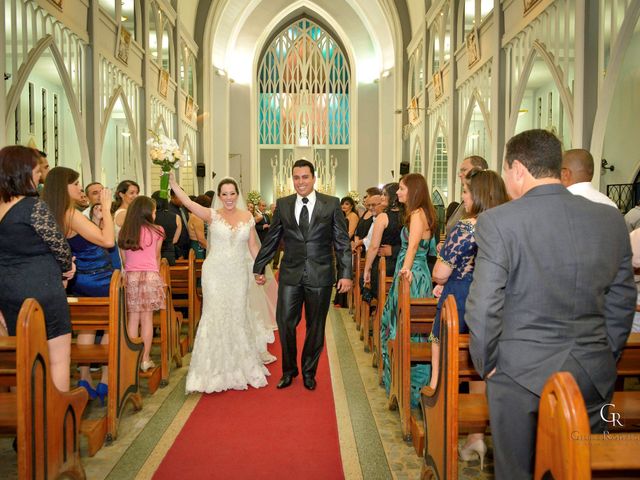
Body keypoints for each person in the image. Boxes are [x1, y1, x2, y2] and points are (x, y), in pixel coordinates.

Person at [466, 129, 636, 479]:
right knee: (578, 468)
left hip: (519, 375)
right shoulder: (609, 220)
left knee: (518, 471)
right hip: (590, 372)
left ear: (517, 169)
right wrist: (605, 353)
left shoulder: (499, 222)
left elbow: (483, 306)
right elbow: (622, 300)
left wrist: (488, 365)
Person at [428, 169, 509, 469]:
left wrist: (442, 260)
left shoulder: (466, 227)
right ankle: (476, 435)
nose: (463, 197)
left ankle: (440, 427)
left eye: (466, 192)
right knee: (481, 367)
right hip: (495, 300)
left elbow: (440, 272)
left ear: (478, 195)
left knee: (445, 366)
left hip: (460, 299)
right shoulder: (504, 225)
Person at [169, 174, 275, 393]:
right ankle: (211, 370)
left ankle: (239, 366)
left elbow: (254, 246)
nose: (228, 198)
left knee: (237, 315)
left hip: (238, 274)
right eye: (224, 194)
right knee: (214, 316)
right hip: (215, 273)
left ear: (238, 195)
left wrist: (260, 268)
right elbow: (188, 203)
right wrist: (172, 184)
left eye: (232, 193)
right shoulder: (212, 215)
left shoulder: (247, 216)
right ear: (219, 196)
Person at [253, 159, 352, 391]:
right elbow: (272, 239)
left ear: (314, 178)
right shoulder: (284, 204)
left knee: (315, 326)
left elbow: (342, 242)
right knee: (285, 322)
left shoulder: (331, 204)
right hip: (290, 274)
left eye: (305, 177)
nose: (300, 182)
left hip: (321, 274)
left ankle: (309, 371)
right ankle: (289, 371)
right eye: (296, 178)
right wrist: (259, 266)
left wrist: (345, 273)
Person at [0, 146, 75, 391]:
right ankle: (54, 424)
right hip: (42, 288)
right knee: (58, 358)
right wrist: (66, 269)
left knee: (22, 356)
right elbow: (59, 245)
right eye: (35, 171)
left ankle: (26, 416)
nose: (38, 176)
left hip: (9, 292)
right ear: (22, 173)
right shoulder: (33, 207)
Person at [42, 167, 115, 403]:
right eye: (75, 184)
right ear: (64, 187)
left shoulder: (49, 213)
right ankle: (105, 379)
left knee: (87, 326)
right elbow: (108, 240)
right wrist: (107, 208)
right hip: (99, 277)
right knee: (108, 326)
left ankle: (85, 378)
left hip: (78, 279)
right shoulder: (70, 214)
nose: (80, 188)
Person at [379, 173, 437, 406]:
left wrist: (404, 273)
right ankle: (402, 385)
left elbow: (412, 247)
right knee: (409, 327)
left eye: (402, 189)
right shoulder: (423, 213)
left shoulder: (416, 214)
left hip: (412, 275)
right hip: (418, 272)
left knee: (402, 327)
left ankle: (408, 389)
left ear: (412, 191)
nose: (398, 193)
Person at [119, 196, 166, 372]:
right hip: (150, 276)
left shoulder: (125, 231)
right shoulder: (158, 230)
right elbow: (156, 255)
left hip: (131, 276)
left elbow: (124, 260)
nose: (155, 214)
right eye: (154, 211)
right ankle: (145, 359)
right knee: (147, 319)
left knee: (133, 318)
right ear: (148, 212)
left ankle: (131, 360)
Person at [444, 155, 488, 237]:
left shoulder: (483, 203)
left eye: (464, 170)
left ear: (478, 170)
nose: (460, 175)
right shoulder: (466, 202)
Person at [334, 196, 360, 307]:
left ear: (352, 206)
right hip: (341, 245)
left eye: (347, 204)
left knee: (343, 270)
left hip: (347, 246)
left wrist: (339, 241)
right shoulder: (344, 216)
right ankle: (339, 299)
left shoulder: (353, 216)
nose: (344, 206)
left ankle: (343, 300)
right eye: (342, 204)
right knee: (339, 269)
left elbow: (350, 233)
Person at [151, 191, 182, 266]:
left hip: (153, 253)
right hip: (169, 253)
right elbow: (175, 240)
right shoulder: (176, 217)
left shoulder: (150, 217)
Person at [187, 194, 211, 259]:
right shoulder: (197, 217)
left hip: (197, 244)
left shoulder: (194, 214)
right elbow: (201, 239)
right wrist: (212, 250)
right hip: (198, 246)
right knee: (200, 267)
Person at [169, 188, 191, 259]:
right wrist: (178, 252)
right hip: (177, 248)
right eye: (179, 197)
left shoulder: (183, 208)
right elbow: (171, 234)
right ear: (172, 197)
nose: (182, 199)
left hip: (187, 245)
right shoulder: (169, 211)